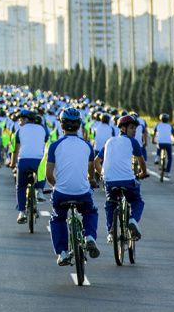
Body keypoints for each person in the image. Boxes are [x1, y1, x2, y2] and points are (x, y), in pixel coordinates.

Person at [46, 107, 100, 266]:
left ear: (61, 126)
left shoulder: (54, 146)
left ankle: (62, 252)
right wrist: (92, 181)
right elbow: (91, 172)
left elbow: (49, 175)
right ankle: (89, 236)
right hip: (82, 193)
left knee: (58, 218)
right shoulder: (87, 146)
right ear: (79, 126)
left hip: (61, 192)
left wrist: (57, 186)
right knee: (90, 211)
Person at [95, 114, 148, 243]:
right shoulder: (133, 142)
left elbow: (97, 162)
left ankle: (111, 232)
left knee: (110, 203)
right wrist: (143, 173)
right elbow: (141, 162)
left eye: (135, 128)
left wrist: (103, 174)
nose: (134, 131)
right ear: (122, 129)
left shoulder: (109, 141)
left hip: (109, 180)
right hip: (127, 180)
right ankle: (133, 220)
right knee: (137, 201)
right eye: (131, 128)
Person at [11, 109, 49, 224]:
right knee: (43, 170)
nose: (19, 122)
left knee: (21, 187)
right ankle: (40, 190)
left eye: (20, 119)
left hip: (24, 161)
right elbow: (46, 143)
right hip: (39, 160)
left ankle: (22, 211)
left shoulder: (19, 131)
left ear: (26, 119)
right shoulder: (43, 129)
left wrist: (13, 164)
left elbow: (15, 150)